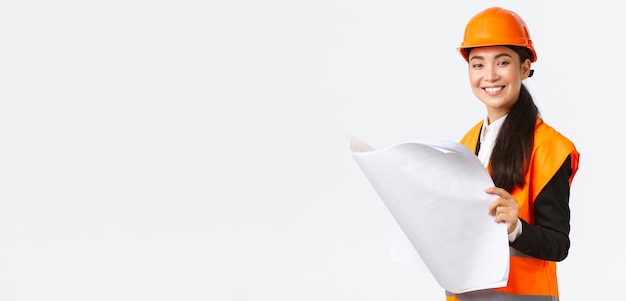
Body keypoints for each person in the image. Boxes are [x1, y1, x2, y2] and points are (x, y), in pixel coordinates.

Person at [449, 7, 580, 301]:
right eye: (478, 64)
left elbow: (559, 245)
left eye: (503, 62)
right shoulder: (467, 143)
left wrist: (517, 228)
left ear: (524, 68)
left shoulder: (550, 148)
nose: (490, 75)